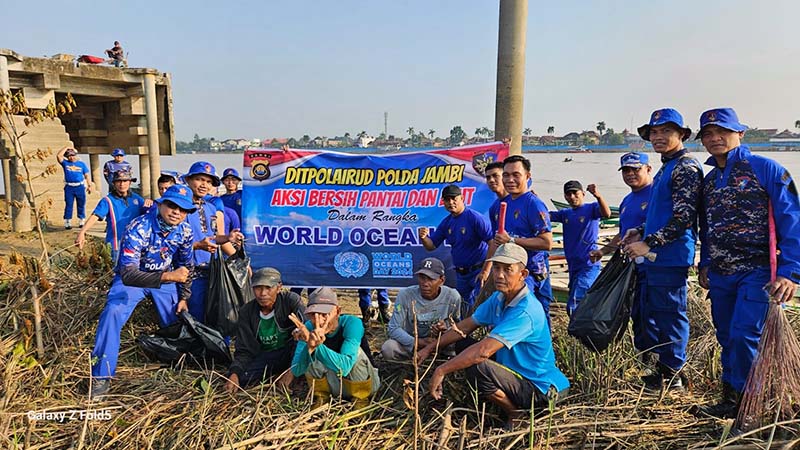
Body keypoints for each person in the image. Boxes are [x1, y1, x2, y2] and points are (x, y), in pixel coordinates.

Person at [695, 108, 800, 418]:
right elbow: (707, 226)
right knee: (726, 335)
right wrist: (705, 263)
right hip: (722, 272)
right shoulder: (710, 180)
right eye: (708, 135)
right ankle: (732, 397)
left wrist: (790, 272)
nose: (715, 139)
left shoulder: (765, 168)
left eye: (722, 132)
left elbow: (791, 219)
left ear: (739, 133)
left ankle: (752, 403)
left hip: (758, 270)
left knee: (744, 334)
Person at [417, 243, 569, 429]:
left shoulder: (526, 311)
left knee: (477, 364)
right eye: (496, 268)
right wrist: (431, 347)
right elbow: (465, 326)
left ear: (523, 275)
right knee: (462, 343)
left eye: (507, 269)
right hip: (514, 371)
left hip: (541, 388)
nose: (499, 275)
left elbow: (482, 352)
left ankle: (516, 413)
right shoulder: (499, 298)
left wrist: (442, 370)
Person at [88, 185, 196, 397]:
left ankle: (174, 363)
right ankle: (101, 377)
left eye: (183, 209)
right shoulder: (139, 227)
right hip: (133, 280)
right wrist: (168, 277)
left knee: (177, 320)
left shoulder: (185, 231)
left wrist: (184, 296)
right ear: (160, 204)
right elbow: (128, 274)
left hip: (165, 281)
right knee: (112, 314)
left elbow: (186, 265)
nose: (176, 212)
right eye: (172, 205)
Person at [623, 108, 702, 391]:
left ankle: (675, 375)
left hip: (670, 256)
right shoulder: (665, 167)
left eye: (666, 131)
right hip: (657, 255)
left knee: (671, 313)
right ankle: (664, 369)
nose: (658, 137)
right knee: (656, 312)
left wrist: (649, 242)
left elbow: (683, 218)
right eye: (654, 132)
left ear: (681, 134)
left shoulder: (686, 168)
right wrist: (640, 231)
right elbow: (662, 212)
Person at [590, 152, 656, 367]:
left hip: (654, 266)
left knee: (653, 316)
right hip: (631, 269)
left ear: (648, 169)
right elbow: (623, 234)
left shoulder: (656, 194)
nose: (630, 174)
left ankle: (662, 366)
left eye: (635, 169)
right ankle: (643, 362)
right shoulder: (627, 200)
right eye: (626, 170)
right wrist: (604, 251)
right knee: (636, 315)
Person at [480, 155, 554, 322]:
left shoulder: (534, 204)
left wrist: (512, 241)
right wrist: (487, 270)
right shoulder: (497, 207)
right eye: (506, 175)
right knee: (512, 316)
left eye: (516, 175)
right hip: (509, 272)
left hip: (531, 272)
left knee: (537, 316)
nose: (510, 179)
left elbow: (547, 242)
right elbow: (496, 240)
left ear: (528, 177)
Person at [290, 287, 380, 407]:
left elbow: (345, 367)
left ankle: (360, 400)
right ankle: (321, 396)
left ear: (337, 311)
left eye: (324, 314)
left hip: (363, 384)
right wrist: (309, 346)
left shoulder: (352, 323)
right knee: (310, 351)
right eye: (313, 315)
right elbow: (296, 370)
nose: (319, 321)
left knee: (356, 353)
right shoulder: (308, 328)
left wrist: (318, 346)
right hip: (333, 385)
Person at [224, 267, 306, 393]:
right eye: (258, 288)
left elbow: (307, 333)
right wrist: (234, 374)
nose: (263, 293)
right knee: (242, 377)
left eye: (268, 288)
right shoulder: (247, 312)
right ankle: (276, 375)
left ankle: (293, 374)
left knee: (301, 343)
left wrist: (292, 371)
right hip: (268, 356)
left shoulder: (290, 301)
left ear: (279, 287)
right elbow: (244, 349)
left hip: (291, 353)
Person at [183, 161, 243, 323]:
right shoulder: (180, 207)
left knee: (219, 313)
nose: (204, 185)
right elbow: (172, 242)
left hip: (212, 271)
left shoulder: (209, 208)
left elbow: (215, 236)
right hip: (189, 273)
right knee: (196, 315)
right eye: (200, 179)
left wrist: (228, 238)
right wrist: (197, 245)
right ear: (188, 180)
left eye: (209, 182)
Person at [419, 184, 492, 315]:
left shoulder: (475, 218)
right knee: (463, 309)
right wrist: (423, 237)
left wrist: (486, 271)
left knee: (480, 309)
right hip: (461, 275)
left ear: (462, 198)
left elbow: (493, 244)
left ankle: (484, 335)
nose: (451, 202)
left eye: (454, 198)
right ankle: (466, 335)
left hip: (478, 272)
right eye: (447, 199)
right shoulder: (447, 222)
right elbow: (431, 246)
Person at [549, 180, 611, 316]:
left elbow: (607, 214)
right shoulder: (565, 213)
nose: (572, 197)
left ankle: (582, 332)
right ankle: (578, 332)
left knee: (577, 302)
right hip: (573, 266)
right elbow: (545, 215)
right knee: (573, 301)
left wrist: (598, 195)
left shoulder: (591, 209)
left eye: (575, 193)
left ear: (582, 193)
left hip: (588, 264)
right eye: (568, 194)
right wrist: (535, 201)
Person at [381, 257, 461, 361]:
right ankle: (409, 364)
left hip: (441, 345)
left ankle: (445, 360)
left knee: (462, 344)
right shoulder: (405, 295)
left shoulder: (452, 296)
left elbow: (459, 326)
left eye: (431, 279)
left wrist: (445, 330)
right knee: (388, 348)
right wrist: (418, 342)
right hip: (413, 345)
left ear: (442, 280)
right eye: (422, 277)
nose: (425, 283)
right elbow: (393, 328)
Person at [76, 169, 150, 263]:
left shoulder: (137, 199)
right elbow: (95, 216)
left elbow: (149, 214)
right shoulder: (107, 200)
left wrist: (150, 203)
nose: (122, 184)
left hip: (135, 246)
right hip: (115, 246)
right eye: (118, 181)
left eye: (125, 181)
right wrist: (82, 232)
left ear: (130, 182)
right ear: (114, 184)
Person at [56, 146, 93, 229]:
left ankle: (81, 220)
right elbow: (59, 156)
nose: (71, 157)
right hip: (69, 186)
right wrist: (66, 147)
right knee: (69, 204)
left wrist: (89, 185)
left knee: (81, 203)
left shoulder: (81, 164)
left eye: (73, 155)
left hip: (79, 186)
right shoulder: (66, 163)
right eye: (69, 156)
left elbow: (87, 175)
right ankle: (67, 221)